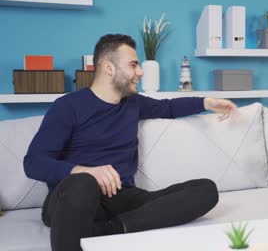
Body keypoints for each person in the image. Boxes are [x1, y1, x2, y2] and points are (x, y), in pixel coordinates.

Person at [23, 34, 238, 251]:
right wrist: (85, 171)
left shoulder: (132, 103)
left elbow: (168, 107)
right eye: (134, 65)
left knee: (206, 190)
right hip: (74, 199)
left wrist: (207, 102)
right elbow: (33, 163)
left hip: (122, 198)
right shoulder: (68, 106)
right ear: (109, 67)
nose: (140, 72)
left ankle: (111, 230)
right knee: (83, 183)